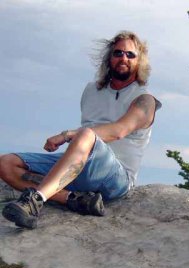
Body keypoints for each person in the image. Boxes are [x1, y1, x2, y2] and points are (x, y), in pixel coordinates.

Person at [0, 30, 161, 229]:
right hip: (79, 165)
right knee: (6, 163)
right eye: (118, 53)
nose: (123, 58)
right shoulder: (91, 90)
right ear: (109, 57)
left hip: (115, 177)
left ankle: (35, 200)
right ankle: (74, 199)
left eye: (130, 55)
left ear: (140, 62)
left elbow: (118, 130)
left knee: (86, 134)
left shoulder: (145, 100)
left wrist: (68, 135)